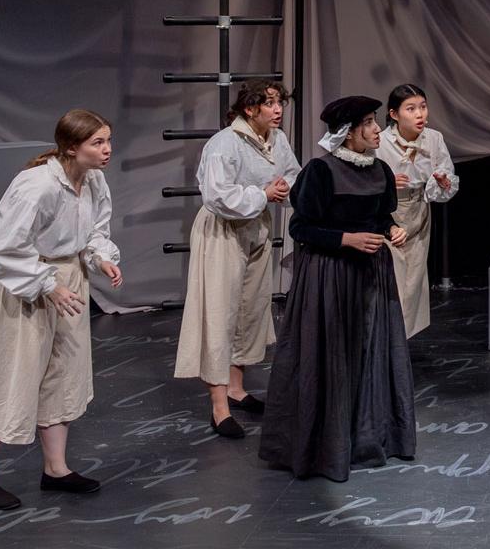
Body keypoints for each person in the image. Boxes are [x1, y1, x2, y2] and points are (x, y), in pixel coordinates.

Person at [0, 109, 123, 510]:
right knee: (8, 377)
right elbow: (8, 249)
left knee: (63, 375)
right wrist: (48, 284)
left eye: (108, 140)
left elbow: (96, 230)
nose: (107, 149)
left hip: (69, 280)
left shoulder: (94, 180)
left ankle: (56, 469)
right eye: (98, 142)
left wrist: (100, 259)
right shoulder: (37, 186)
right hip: (24, 284)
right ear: (70, 147)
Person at [258, 94, 415, 481]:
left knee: (371, 353)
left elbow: (381, 216)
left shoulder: (378, 170)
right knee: (331, 357)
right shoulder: (321, 171)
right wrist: (347, 239)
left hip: (371, 276)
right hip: (330, 275)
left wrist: (391, 229)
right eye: (368, 123)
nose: (377, 129)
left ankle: (369, 437)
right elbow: (301, 229)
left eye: (375, 121)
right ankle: (325, 445)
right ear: (348, 134)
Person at [173, 80, 301, 438]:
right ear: (250, 109)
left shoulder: (277, 139)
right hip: (223, 230)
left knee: (250, 308)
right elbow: (218, 197)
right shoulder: (224, 144)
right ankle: (219, 407)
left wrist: (281, 193)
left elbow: (291, 175)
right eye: (270, 104)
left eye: (280, 103)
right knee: (221, 312)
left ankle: (236, 387)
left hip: (256, 226)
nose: (278, 110)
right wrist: (263, 193)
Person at [375, 83, 460, 337]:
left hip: (419, 213)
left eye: (422, 107)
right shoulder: (380, 141)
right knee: (392, 280)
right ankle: (383, 340)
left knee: (412, 283)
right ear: (394, 114)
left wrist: (442, 183)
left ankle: (400, 343)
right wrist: (386, 183)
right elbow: (364, 177)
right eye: (410, 109)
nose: (419, 114)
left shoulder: (433, 139)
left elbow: (445, 179)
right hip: (387, 214)